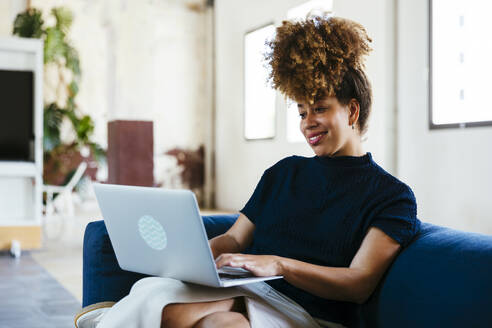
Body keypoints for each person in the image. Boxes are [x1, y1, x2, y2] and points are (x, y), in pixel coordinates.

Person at [84, 14, 421, 328]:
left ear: (352, 111)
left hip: (312, 316)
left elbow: (358, 284)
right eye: (302, 112)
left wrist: (279, 265)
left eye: (320, 109)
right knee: (207, 316)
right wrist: (195, 259)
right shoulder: (283, 173)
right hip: (254, 297)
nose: (308, 123)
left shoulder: (391, 197)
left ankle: (113, 320)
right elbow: (234, 237)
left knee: (173, 313)